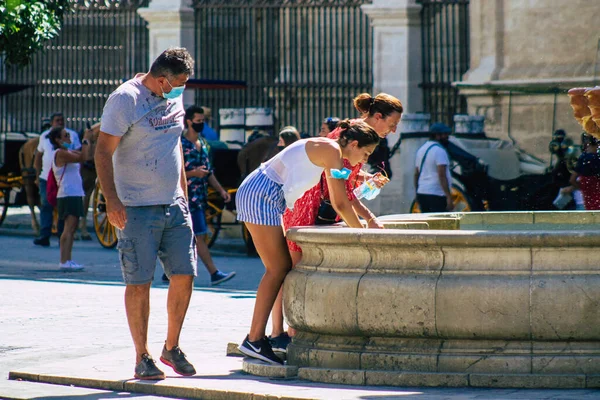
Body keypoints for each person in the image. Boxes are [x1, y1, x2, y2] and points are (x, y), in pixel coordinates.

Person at [236, 120, 380, 365]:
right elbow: (341, 204)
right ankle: (255, 339)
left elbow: (341, 194)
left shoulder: (333, 154)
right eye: (365, 153)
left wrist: (363, 218)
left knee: (280, 268)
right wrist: (362, 235)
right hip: (261, 193)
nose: (364, 159)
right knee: (278, 268)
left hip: (266, 194)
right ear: (354, 144)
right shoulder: (332, 151)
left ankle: (256, 338)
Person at [271, 93, 403, 352]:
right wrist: (365, 226)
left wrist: (367, 206)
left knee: (292, 270)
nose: (394, 130)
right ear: (378, 117)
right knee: (290, 270)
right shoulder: (353, 138)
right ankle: (280, 333)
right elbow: (342, 198)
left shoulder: (355, 135)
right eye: (392, 124)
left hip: (310, 204)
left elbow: (347, 189)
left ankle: (290, 330)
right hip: (303, 204)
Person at [95, 47, 197, 380]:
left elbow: (175, 143)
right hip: (136, 206)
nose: (183, 88)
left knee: (185, 274)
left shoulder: (173, 98)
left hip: (174, 204)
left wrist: (182, 195)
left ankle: (172, 346)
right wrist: (111, 200)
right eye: (180, 82)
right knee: (140, 282)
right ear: (163, 79)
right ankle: (142, 356)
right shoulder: (125, 99)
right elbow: (103, 150)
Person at [163, 105, 236, 286]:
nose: (201, 124)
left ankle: (169, 271)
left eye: (203, 121)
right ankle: (214, 273)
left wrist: (220, 191)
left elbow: (209, 172)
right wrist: (193, 173)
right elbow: (172, 173)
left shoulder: (203, 144)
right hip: (184, 198)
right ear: (188, 121)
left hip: (200, 197)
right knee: (199, 236)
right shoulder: (179, 144)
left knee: (187, 237)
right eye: (198, 121)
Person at [47, 127, 93, 270]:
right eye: (65, 136)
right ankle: (64, 260)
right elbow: (82, 157)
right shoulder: (60, 153)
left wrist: (90, 142)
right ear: (58, 140)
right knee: (68, 228)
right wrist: (85, 139)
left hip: (73, 193)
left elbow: (88, 155)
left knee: (71, 229)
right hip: (68, 194)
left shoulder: (67, 152)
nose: (69, 138)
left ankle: (68, 259)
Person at [34, 112, 81, 247]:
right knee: (46, 204)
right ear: (52, 122)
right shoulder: (44, 136)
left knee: (62, 206)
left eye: (62, 120)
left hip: (63, 177)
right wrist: (37, 175)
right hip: (46, 177)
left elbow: (79, 154)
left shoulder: (71, 135)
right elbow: (38, 155)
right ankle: (44, 235)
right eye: (57, 120)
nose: (60, 122)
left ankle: (62, 234)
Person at [414, 122, 454, 213]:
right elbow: (442, 175)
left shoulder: (421, 150)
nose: (447, 137)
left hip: (422, 193)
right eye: (445, 134)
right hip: (437, 194)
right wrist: (449, 196)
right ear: (437, 136)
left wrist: (417, 192)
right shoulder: (440, 151)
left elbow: (416, 174)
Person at [568, 134, 600, 210]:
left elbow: (572, 180)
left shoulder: (583, 158)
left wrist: (583, 187)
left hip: (588, 200)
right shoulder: (598, 158)